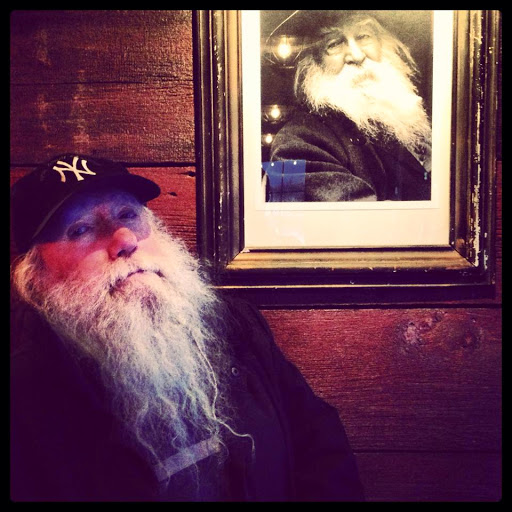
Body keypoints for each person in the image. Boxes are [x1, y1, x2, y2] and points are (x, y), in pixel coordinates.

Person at [10, 153, 364, 502]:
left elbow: (318, 443)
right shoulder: (24, 400)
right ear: (37, 276)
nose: (125, 239)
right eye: (81, 229)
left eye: (128, 214)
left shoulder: (234, 322)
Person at [269, 11, 432, 202]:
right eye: (334, 44)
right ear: (314, 62)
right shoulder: (295, 144)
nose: (356, 55)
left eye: (364, 36)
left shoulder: (408, 129)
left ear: (383, 43)